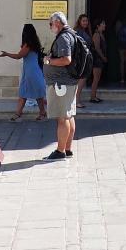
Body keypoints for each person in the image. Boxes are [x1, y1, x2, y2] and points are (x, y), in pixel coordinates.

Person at [42, 12, 76, 160]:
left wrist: (49, 61)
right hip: (68, 82)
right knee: (68, 115)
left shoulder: (63, 37)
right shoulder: (71, 34)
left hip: (61, 84)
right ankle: (67, 149)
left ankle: (60, 151)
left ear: (57, 23)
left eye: (51, 24)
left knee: (62, 118)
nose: (50, 27)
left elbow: (66, 59)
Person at [0, 23, 47, 121]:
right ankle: (20, 113)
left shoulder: (28, 45)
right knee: (26, 93)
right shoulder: (34, 44)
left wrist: (7, 54)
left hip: (31, 72)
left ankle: (40, 113)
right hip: (32, 71)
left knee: (31, 93)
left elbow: (18, 56)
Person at [73, 15, 94, 108]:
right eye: (83, 21)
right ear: (79, 21)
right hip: (81, 59)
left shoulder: (84, 31)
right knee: (81, 80)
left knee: (81, 80)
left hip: (85, 58)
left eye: (86, 21)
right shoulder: (78, 32)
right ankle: (76, 101)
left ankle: (76, 100)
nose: (85, 22)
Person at [88, 18, 108, 103]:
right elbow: (97, 48)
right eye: (103, 24)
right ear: (98, 26)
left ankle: (94, 96)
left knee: (97, 78)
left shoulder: (101, 34)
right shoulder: (96, 35)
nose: (104, 25)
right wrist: (103, 57)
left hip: (100, 59)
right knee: (96, 79)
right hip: (97, 59)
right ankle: (92, 97)